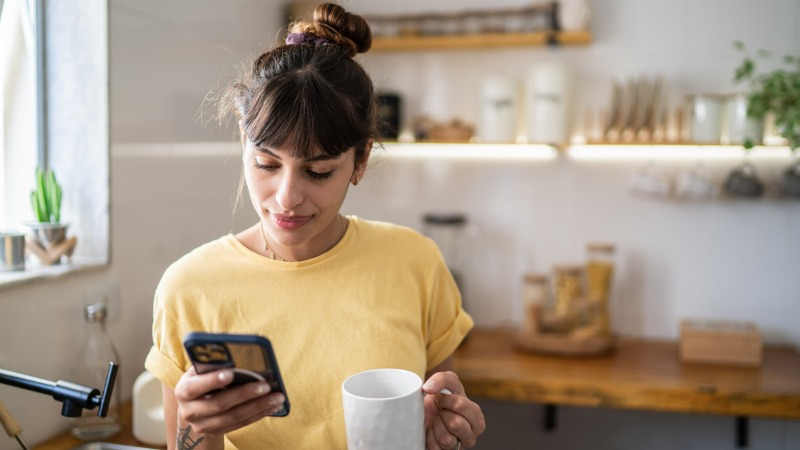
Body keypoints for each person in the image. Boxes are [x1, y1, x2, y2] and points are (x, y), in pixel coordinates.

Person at [144, 3, 485, 449]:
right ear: (244, 141)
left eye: (318, 171)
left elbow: (433, 421)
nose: (287, 197)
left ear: (361, 159)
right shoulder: (189, 287)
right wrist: (202, 430)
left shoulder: (415, 263)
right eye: (266, 164)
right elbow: (184, 443)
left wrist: (449, 433)